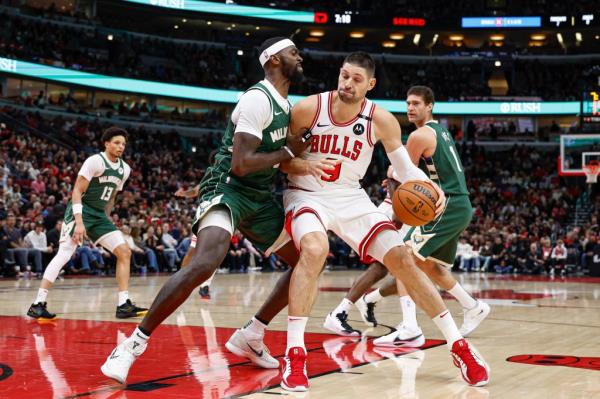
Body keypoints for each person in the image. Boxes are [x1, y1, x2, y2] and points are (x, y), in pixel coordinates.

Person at [101, 37, 335, 384]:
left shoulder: (286, 106)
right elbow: (240, 164)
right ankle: (131, 346)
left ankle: (252, 334)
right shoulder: (258, 98)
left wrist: (304, 162)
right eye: (292, 52)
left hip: (258, 197)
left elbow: (273, 161)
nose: (299, 56)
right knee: (206, 261)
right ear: (272, 59)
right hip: (228, 188)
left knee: (307, 260)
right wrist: (288, 152)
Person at [274, 55, 489, 391]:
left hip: (351, 196)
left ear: (370, 85)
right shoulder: (307, 109)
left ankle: (459, 346)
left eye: (356, 79)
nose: (347, 83)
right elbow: (280, 162)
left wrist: (429, 186)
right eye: (344, 76)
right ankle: (295, 353)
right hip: (307, 194)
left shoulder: (382, 120)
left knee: (403, 257)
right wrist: (302, 163)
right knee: (316, 250)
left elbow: (404, 170)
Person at [326, 86, 490, 348]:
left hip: (444, 204)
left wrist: (391, 177)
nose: (410, 108)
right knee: (428, 266)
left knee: (406, 260)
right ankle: (473, 306)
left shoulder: (418, 136)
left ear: (430, 106)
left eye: (416, 104)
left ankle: (410, 328)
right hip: (459, 204)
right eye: (408, 103)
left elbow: (403, 172)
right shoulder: (442, 131)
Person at [26, 127, 147, 320]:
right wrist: (80, 223)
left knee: (124, 252)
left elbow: (112, 196)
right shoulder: (95, 161)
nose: (120, 147)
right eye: (116, 143)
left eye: (123, 144)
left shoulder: (125, 169)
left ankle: (123, 304)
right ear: (106, 143)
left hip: (99, 215)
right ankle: (38, 303)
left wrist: (106, 218)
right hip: (80, 211)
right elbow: (76, 191)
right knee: (65, 254)